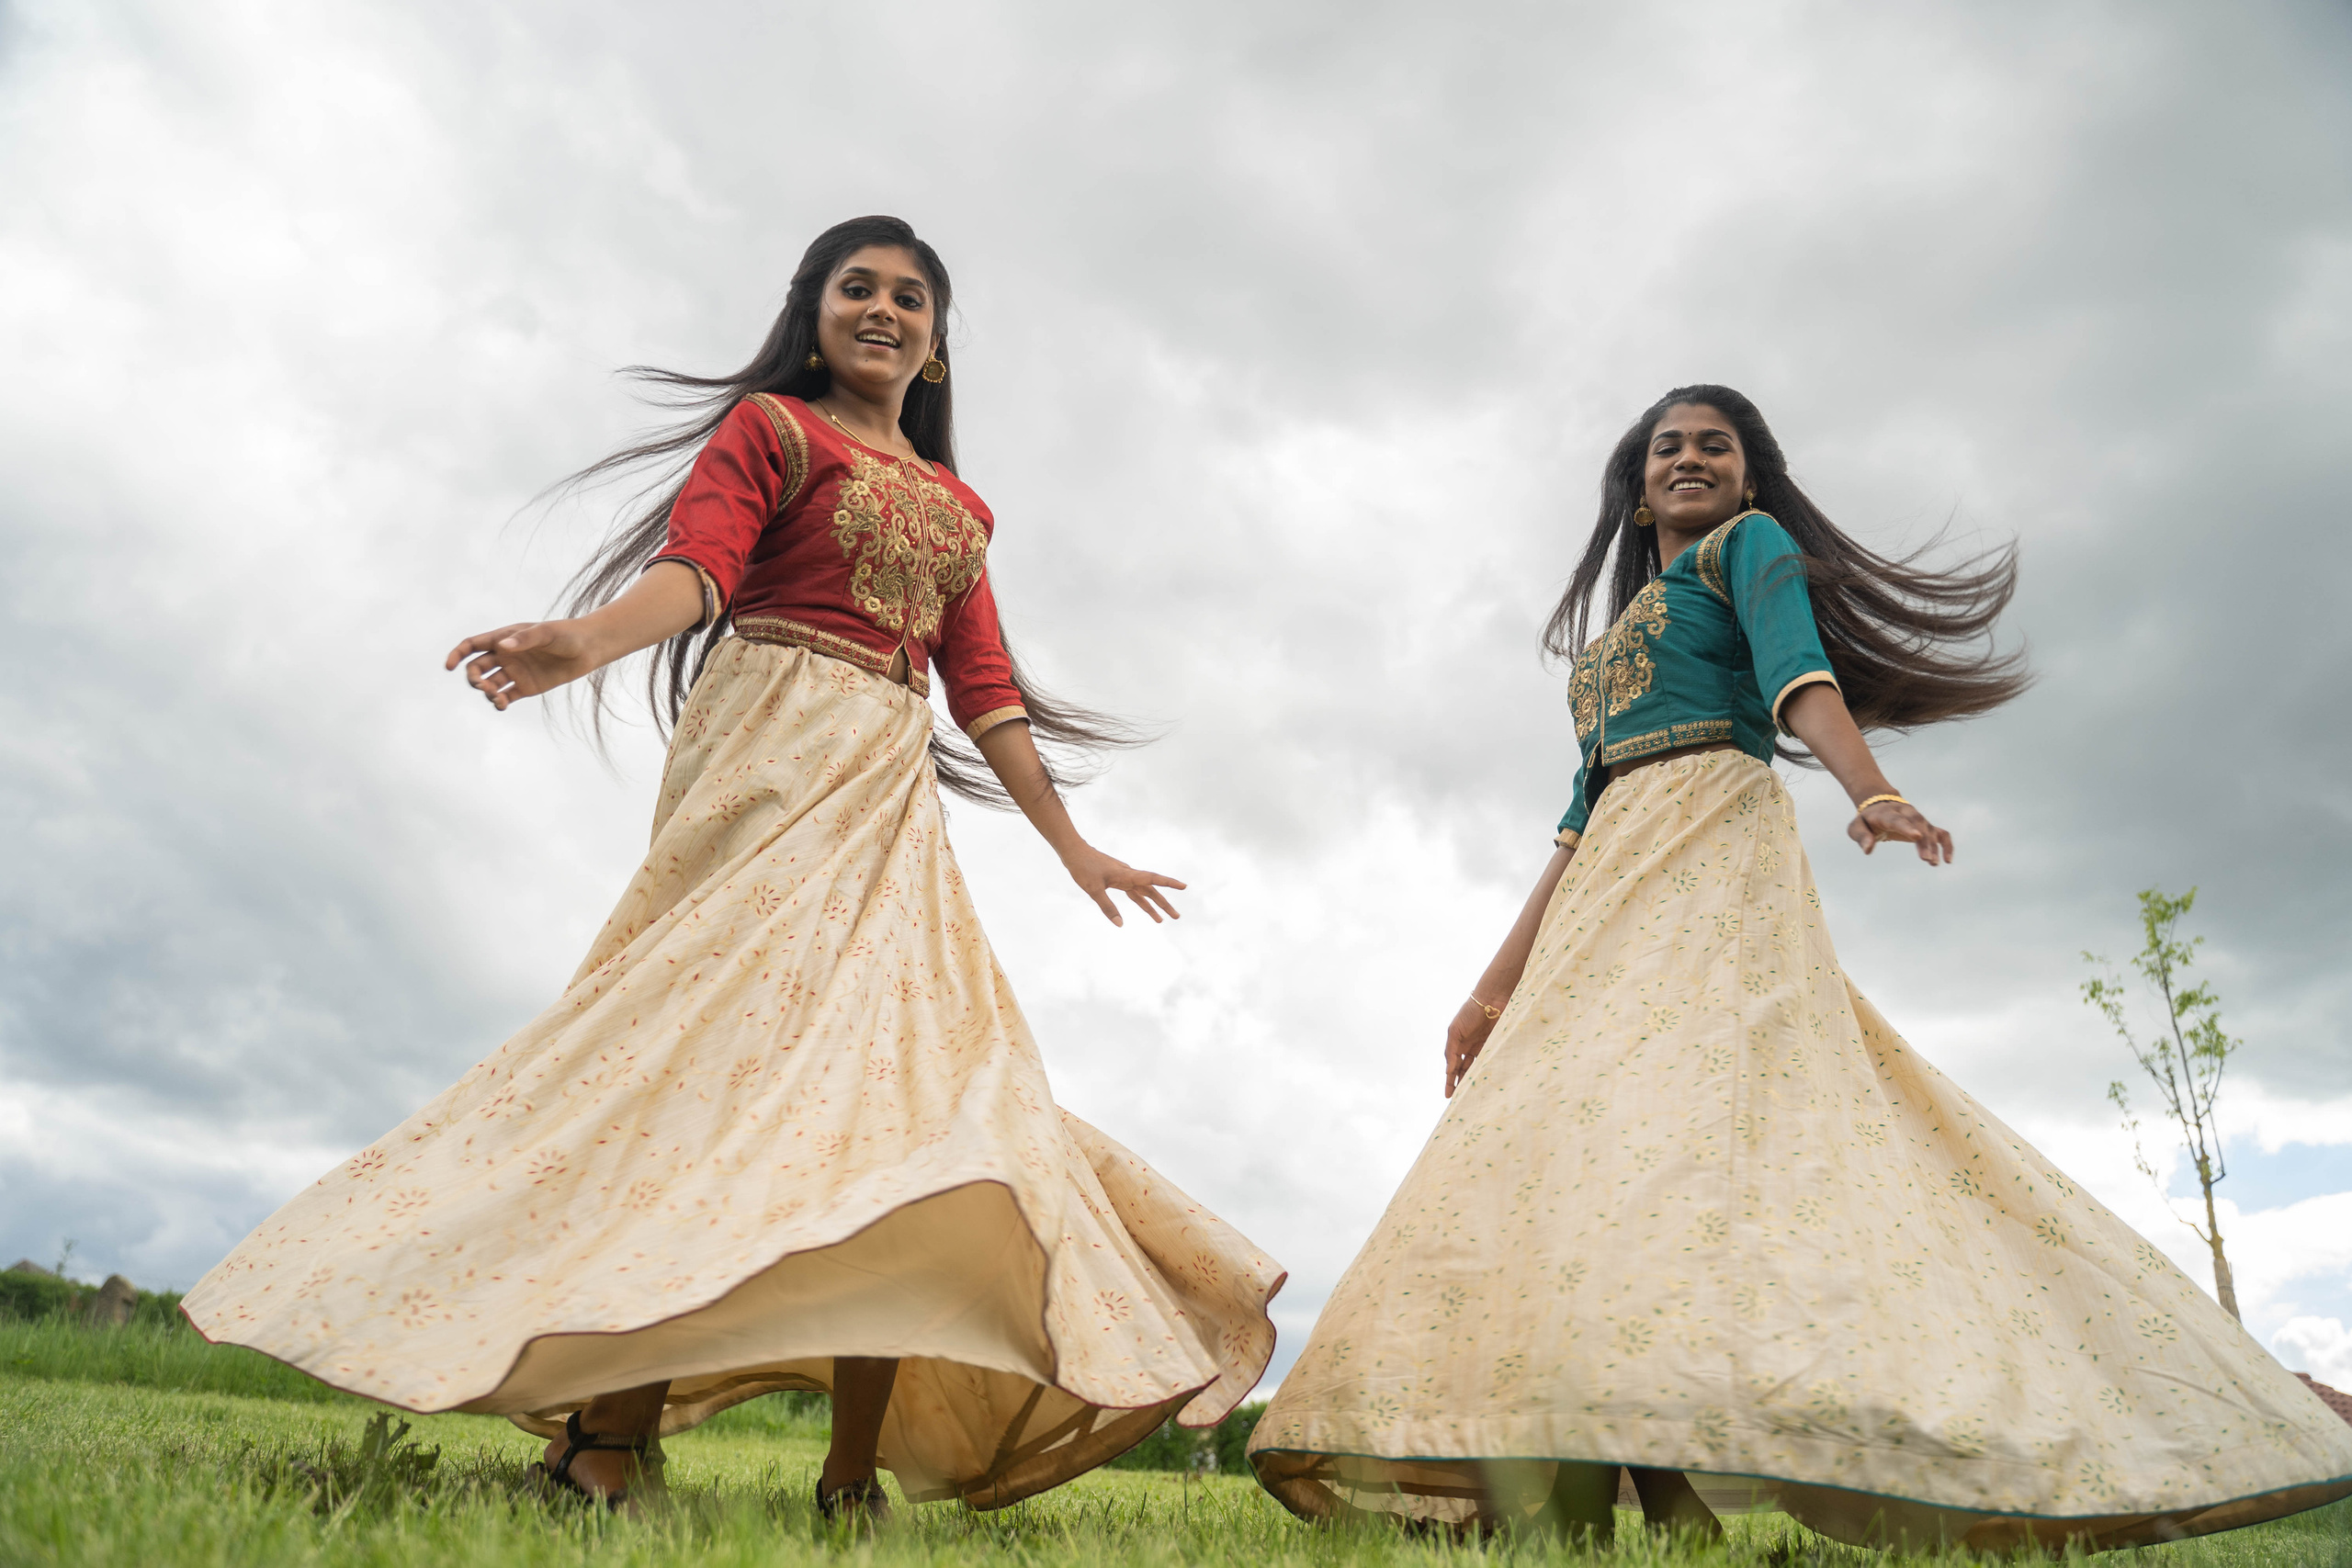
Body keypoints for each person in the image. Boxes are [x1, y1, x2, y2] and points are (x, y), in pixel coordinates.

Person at [181, 216, 1283, 1520]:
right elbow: (699, 569)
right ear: (811, 310)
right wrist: (581, 644)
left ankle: (849, 1473)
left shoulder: (963, 508)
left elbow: (981, 691)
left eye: (910, 297)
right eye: (855, 287)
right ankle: (605, 1433)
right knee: (710, 1069)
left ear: (937, 342)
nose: (882, 308)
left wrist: (1074, 844)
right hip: (766, 750)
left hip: (886, 788)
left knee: (908, 1105)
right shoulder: (771, 429)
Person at [1247, 385, 2352, 1551]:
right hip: (1608, 879)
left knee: (1670, 1151)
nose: (1688, 458)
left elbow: (1798, 677)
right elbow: (1576, 816)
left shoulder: (1746, 550)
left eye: (1712, 446)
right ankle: (1609, 1500)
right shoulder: (1613, 640)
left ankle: (1668, 1496)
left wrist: (1868, 787)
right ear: (1635, 488)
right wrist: (1488, 991)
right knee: (1576, 1163)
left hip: (1712, 852)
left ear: (1748, 478)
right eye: (1666, 447)